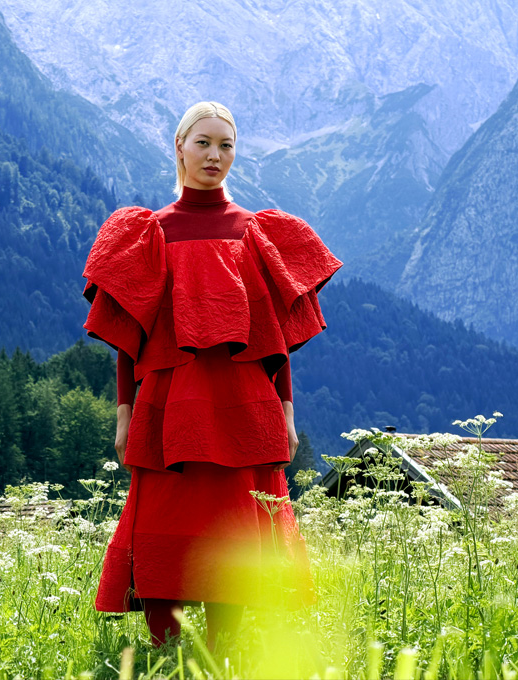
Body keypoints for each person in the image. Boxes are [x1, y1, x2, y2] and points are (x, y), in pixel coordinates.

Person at [81, 101, 343, 650]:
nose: (214, 155)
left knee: (236, 525)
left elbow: (276, 345)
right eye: (203, 142)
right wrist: (125, 411)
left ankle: (222, 656)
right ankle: (165, 652)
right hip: (166, 402)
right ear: (179, 147)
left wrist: (287, 413)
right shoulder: (146, 232)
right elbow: (130, 342)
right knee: (164, 521)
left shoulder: (259, 233)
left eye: (225, 145)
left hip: (247, 406)